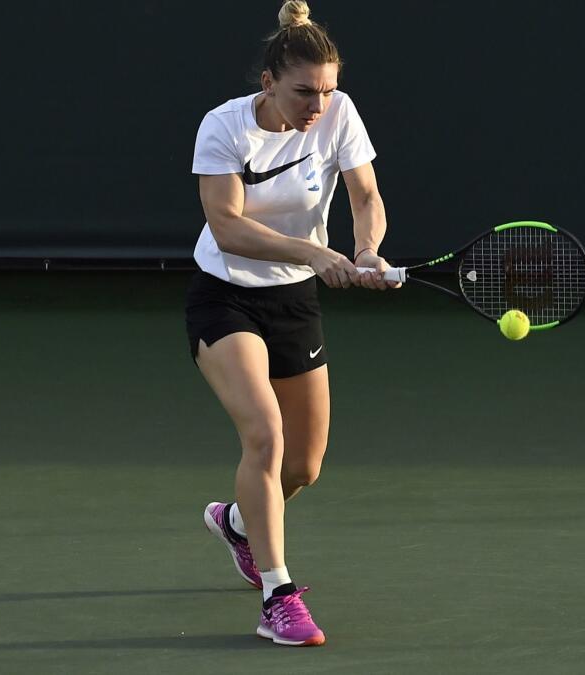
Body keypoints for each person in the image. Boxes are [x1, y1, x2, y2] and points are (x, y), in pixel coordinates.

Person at [186, 0, 396, 647]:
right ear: (269, 83)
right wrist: (314, 251)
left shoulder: (339, 113)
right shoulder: (223, 129)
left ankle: (240, 525)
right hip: (225, 297)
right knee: (267, 435)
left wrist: (364, 250)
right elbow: (227, 224)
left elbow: (364, 195)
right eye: (305, 91)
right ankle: (278, 596)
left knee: (303, 465)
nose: (318, 105)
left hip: (294, 302)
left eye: (328, 90)